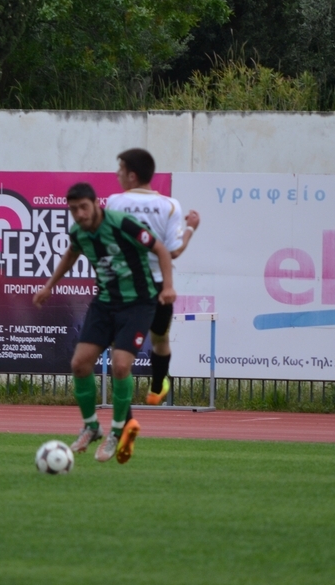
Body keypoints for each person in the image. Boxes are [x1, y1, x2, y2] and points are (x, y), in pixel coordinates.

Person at [33, 183, 176, 464]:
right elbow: (71, 253)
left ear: (96, 203)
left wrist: (168, 286)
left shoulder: (122, 223)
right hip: (104, 303)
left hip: (138, 303)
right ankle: (91, 426)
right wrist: (49, 285)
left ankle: (118, 431)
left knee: (121, 366)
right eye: (73, 209)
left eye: (83, 207)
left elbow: (160, 249)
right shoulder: (79, 232)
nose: (79, 214)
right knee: (79, 363)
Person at [106, 148, 199, 406]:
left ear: (132, 175)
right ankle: (158, 386)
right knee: (160, 339)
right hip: (158, 283)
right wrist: (191, 228)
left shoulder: (114, 202)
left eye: (121, 169)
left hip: (125, 283)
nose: (117, 174)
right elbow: (174, 252)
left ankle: (121, 399)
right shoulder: (169, 205)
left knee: (119, 344)